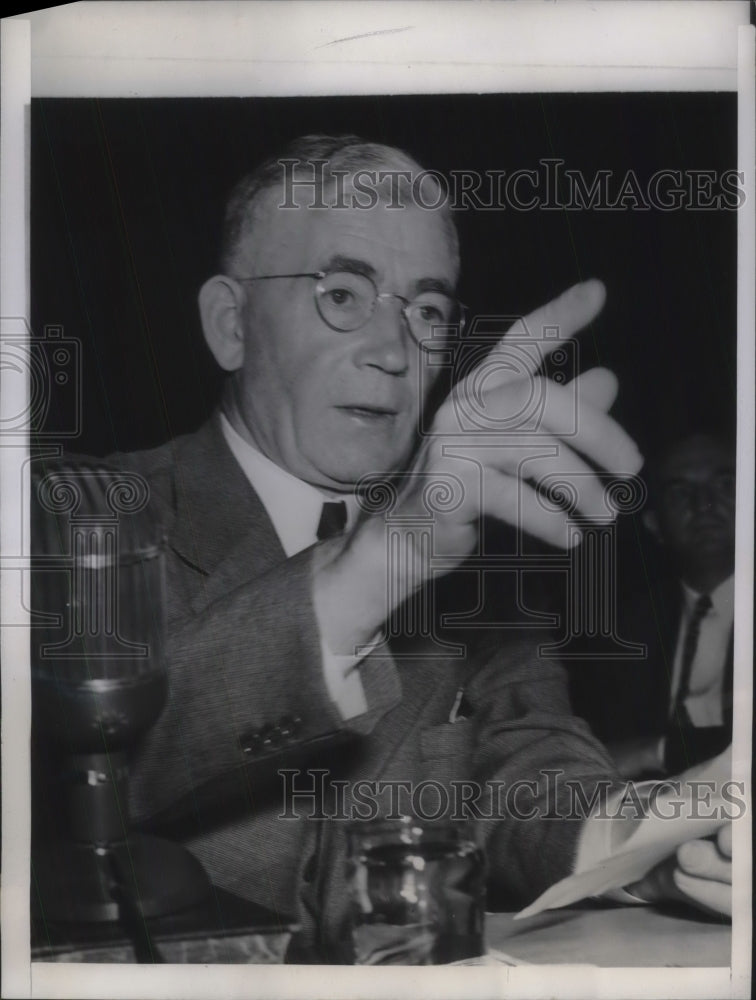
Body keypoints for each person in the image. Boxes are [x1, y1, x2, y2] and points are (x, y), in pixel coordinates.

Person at [35, 136, 734, 960]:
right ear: (231, 326)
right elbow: (71, 780)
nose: (397, 351)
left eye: (427, 311)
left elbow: (528, 771)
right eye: (342, 294)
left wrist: (656, 836)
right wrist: (378, 562)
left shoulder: (471, 562)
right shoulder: (77, 519)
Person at [570, 433, 735, 778]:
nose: (703, 504)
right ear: (655, 525)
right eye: (679, 492)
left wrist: (660, 751)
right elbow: (584, 755)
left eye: (726, 485)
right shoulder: (622, 632)